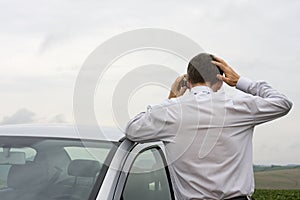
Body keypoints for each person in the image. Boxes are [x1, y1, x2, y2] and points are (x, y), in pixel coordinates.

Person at [125, 53, 292, 200]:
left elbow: (132, 129)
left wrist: (171, 99)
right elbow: (282, 103)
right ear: (220, 82)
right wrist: (239, 81)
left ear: (188, 82)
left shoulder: (171, 112)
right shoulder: (238, 106)